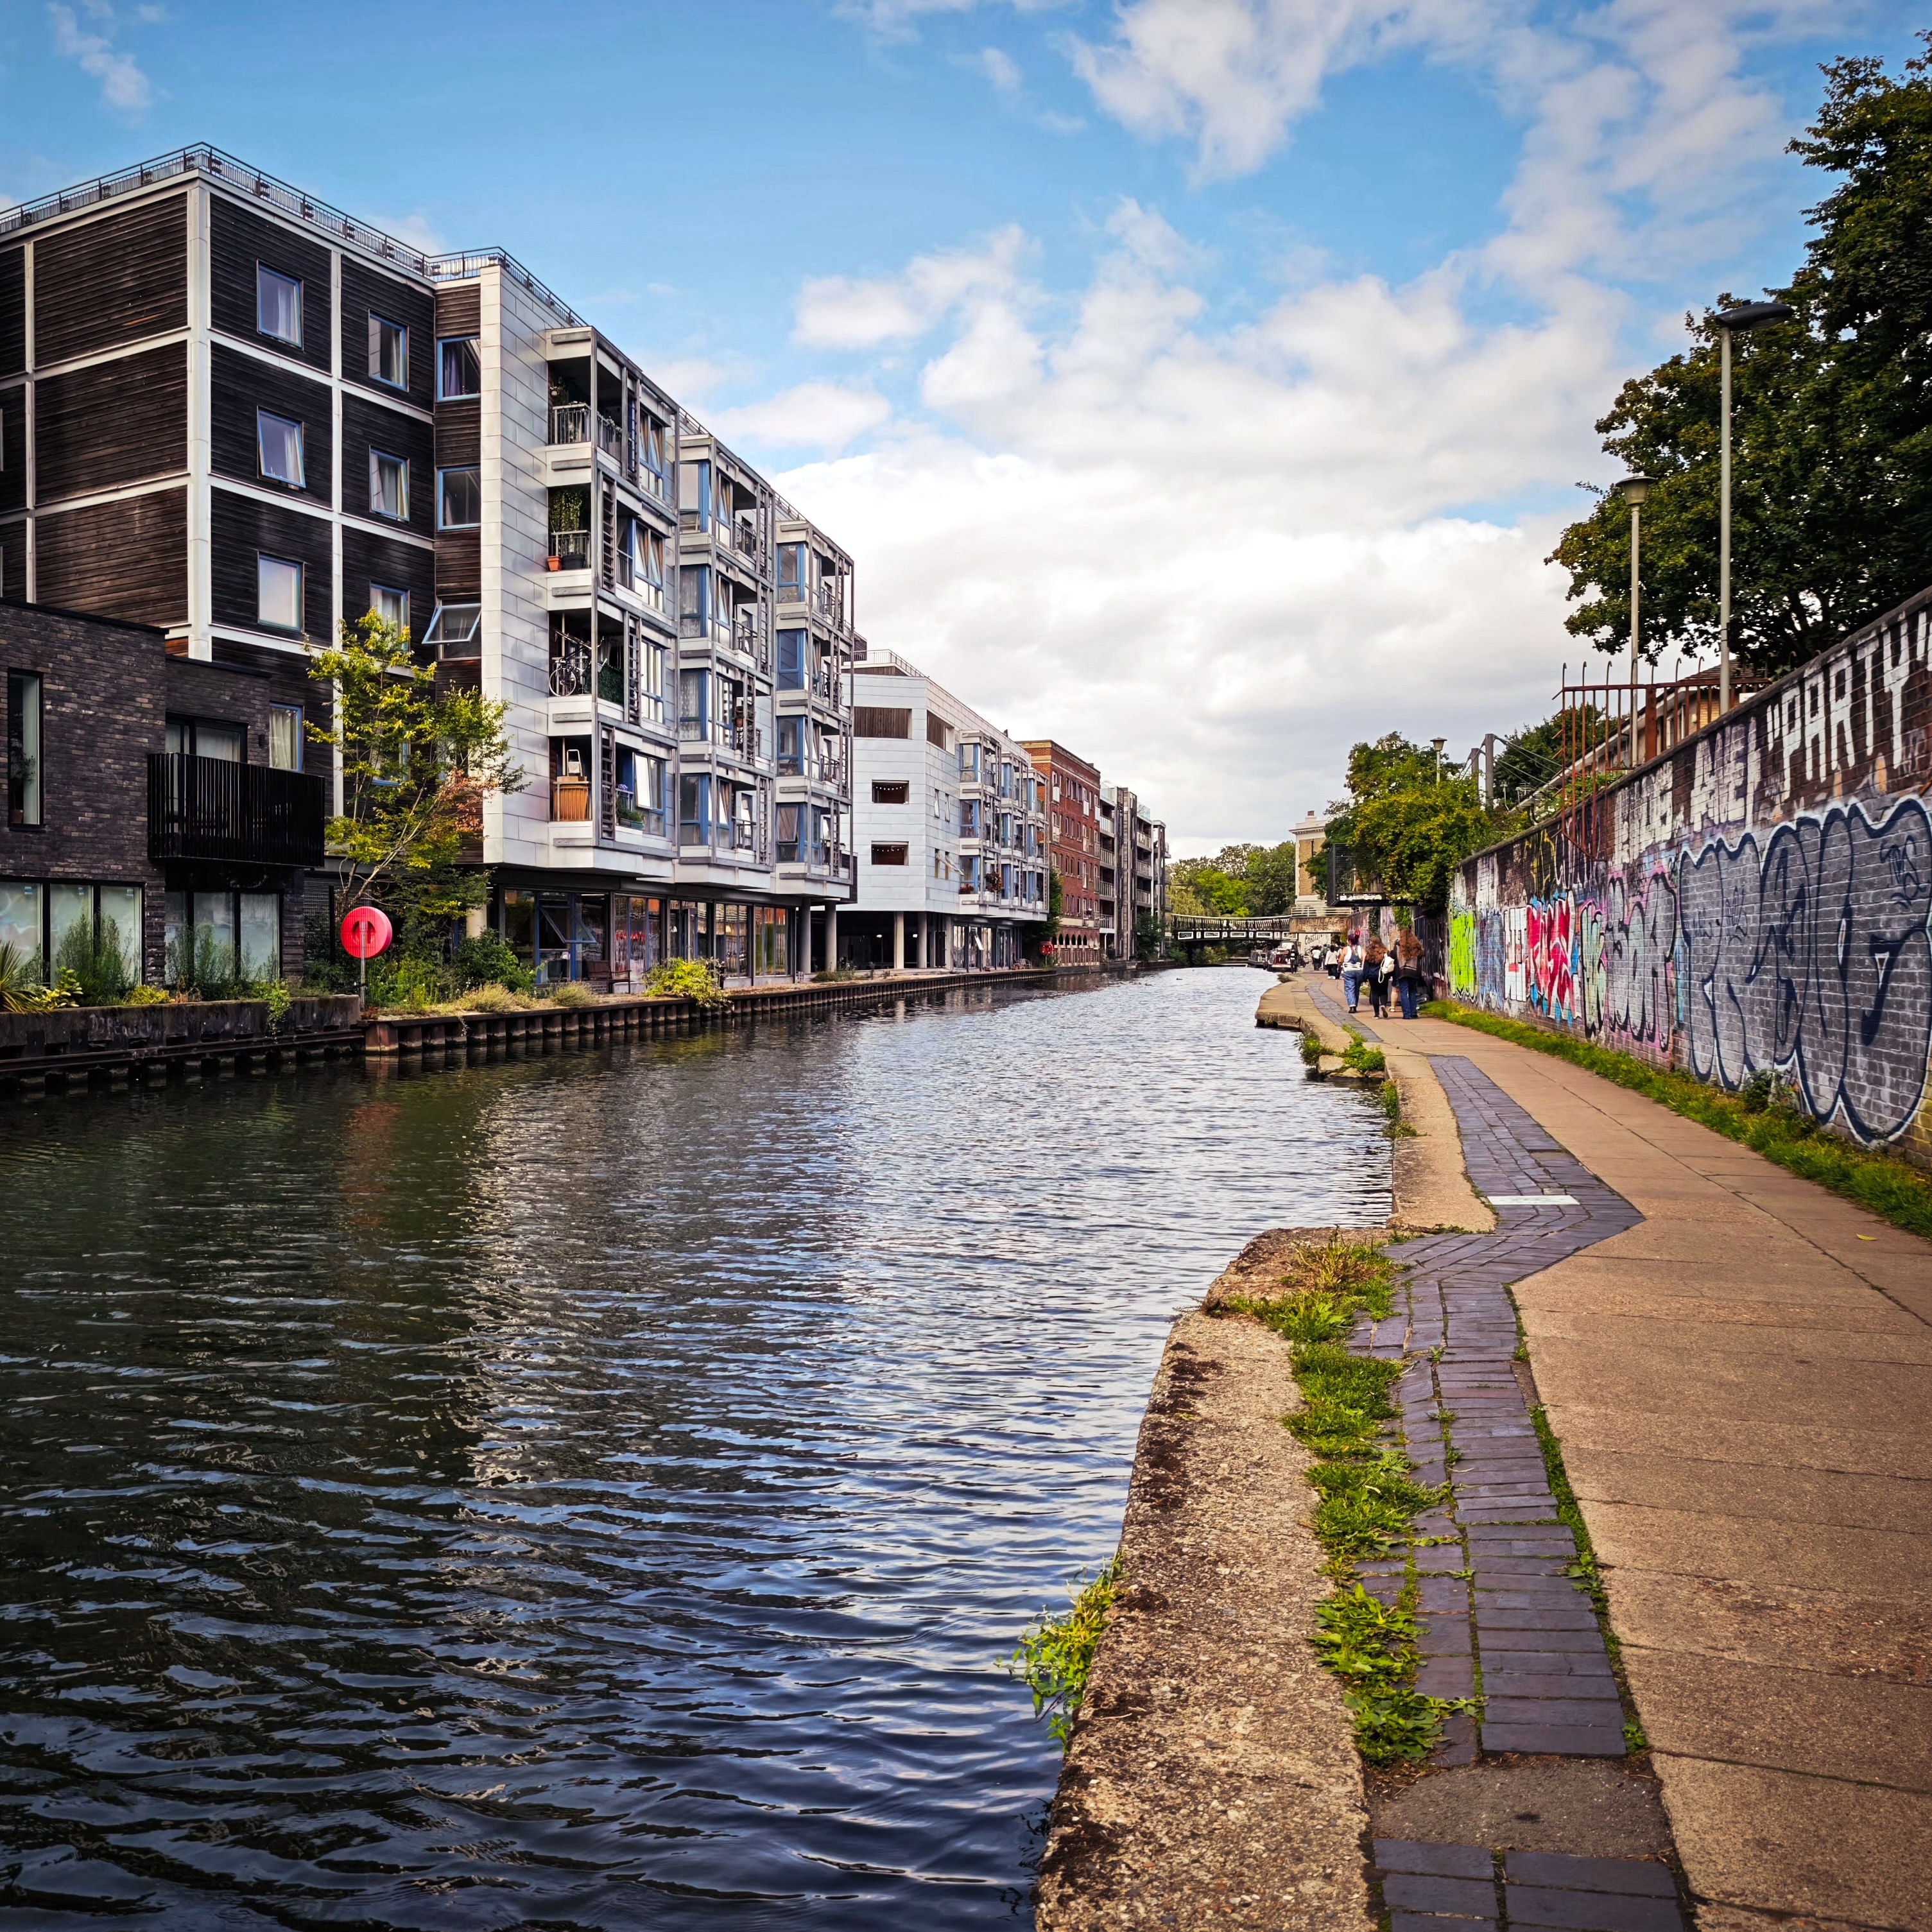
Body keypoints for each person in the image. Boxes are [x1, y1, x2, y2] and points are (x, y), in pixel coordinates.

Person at [1394, 926, 1427, 1021]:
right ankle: (1414, 1013)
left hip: (1403, 971)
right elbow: (1422, 954)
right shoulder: (1416, 945)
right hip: (1414, 971)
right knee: (1412, 992)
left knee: (1404, 993)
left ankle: (1407, 1014)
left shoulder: (1398, 945)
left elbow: (1393, 956)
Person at [1363, 932, 1390, 1019]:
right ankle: (1383, 1005)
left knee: (1374, 993)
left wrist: (1365, 977)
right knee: (1384, 992)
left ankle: (1376, 1014)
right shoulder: (1385, 952)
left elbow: (1366, 967)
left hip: (1372, 976)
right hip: (1383, 975)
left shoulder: (1369, 953)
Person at [1340, 933, 1366, 1012]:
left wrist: (1339, 966)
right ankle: (1355, 1005)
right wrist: (1362, 968)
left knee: (1350, 988)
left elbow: (1341, 960)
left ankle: (1352, 1006)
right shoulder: (1361, 949)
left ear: (1349, 941)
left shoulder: (1346, 949)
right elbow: (1365, 958)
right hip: (1359, 971)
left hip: (1348, 971)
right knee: (1357, 989)